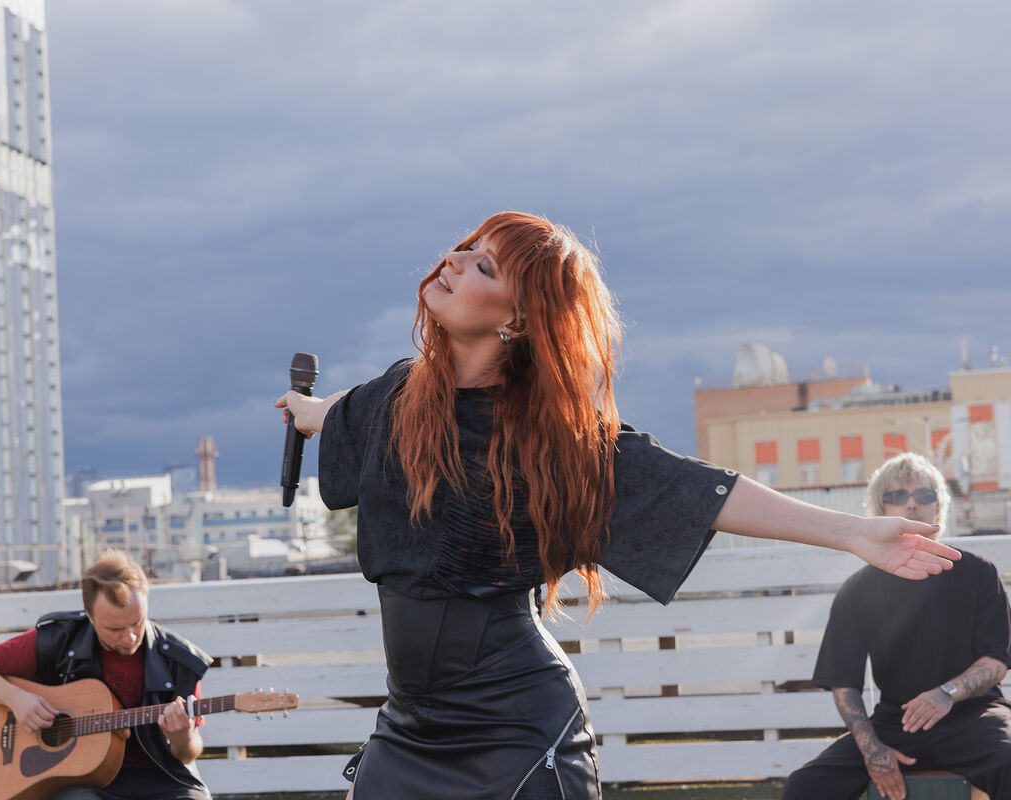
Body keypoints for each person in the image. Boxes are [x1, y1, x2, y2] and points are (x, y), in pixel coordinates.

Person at [274, 211, 960, 800]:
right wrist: (304, 410)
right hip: (408, 728)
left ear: (518, 319)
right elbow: (336, 412)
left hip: (516, 728)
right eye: (465, 248)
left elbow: (696, 489)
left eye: (483, 266)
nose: (452, 262)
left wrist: (854, 533)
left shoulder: (552, 439)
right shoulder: (397, 397)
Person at [783, 453, 1011, 800]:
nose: (911, 504)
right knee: (805, 787)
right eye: (897, 495)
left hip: (973, 717)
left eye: (924, 495)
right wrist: (871, 748)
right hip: (895, 724)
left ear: (939, 507)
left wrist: (946, 693)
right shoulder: (858, 588)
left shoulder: (978, 572)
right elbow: (843, 683)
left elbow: (996, 661)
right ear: (880, 509)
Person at [0, 550, 214, 799]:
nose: (130, 637)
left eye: (137, 622)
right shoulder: (60, 639)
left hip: (161, 777)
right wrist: (17, 699)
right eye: (115, 629)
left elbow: (186, 755)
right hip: (79, 782)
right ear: (90, 617)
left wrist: (182, 738)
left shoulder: (179, 662)